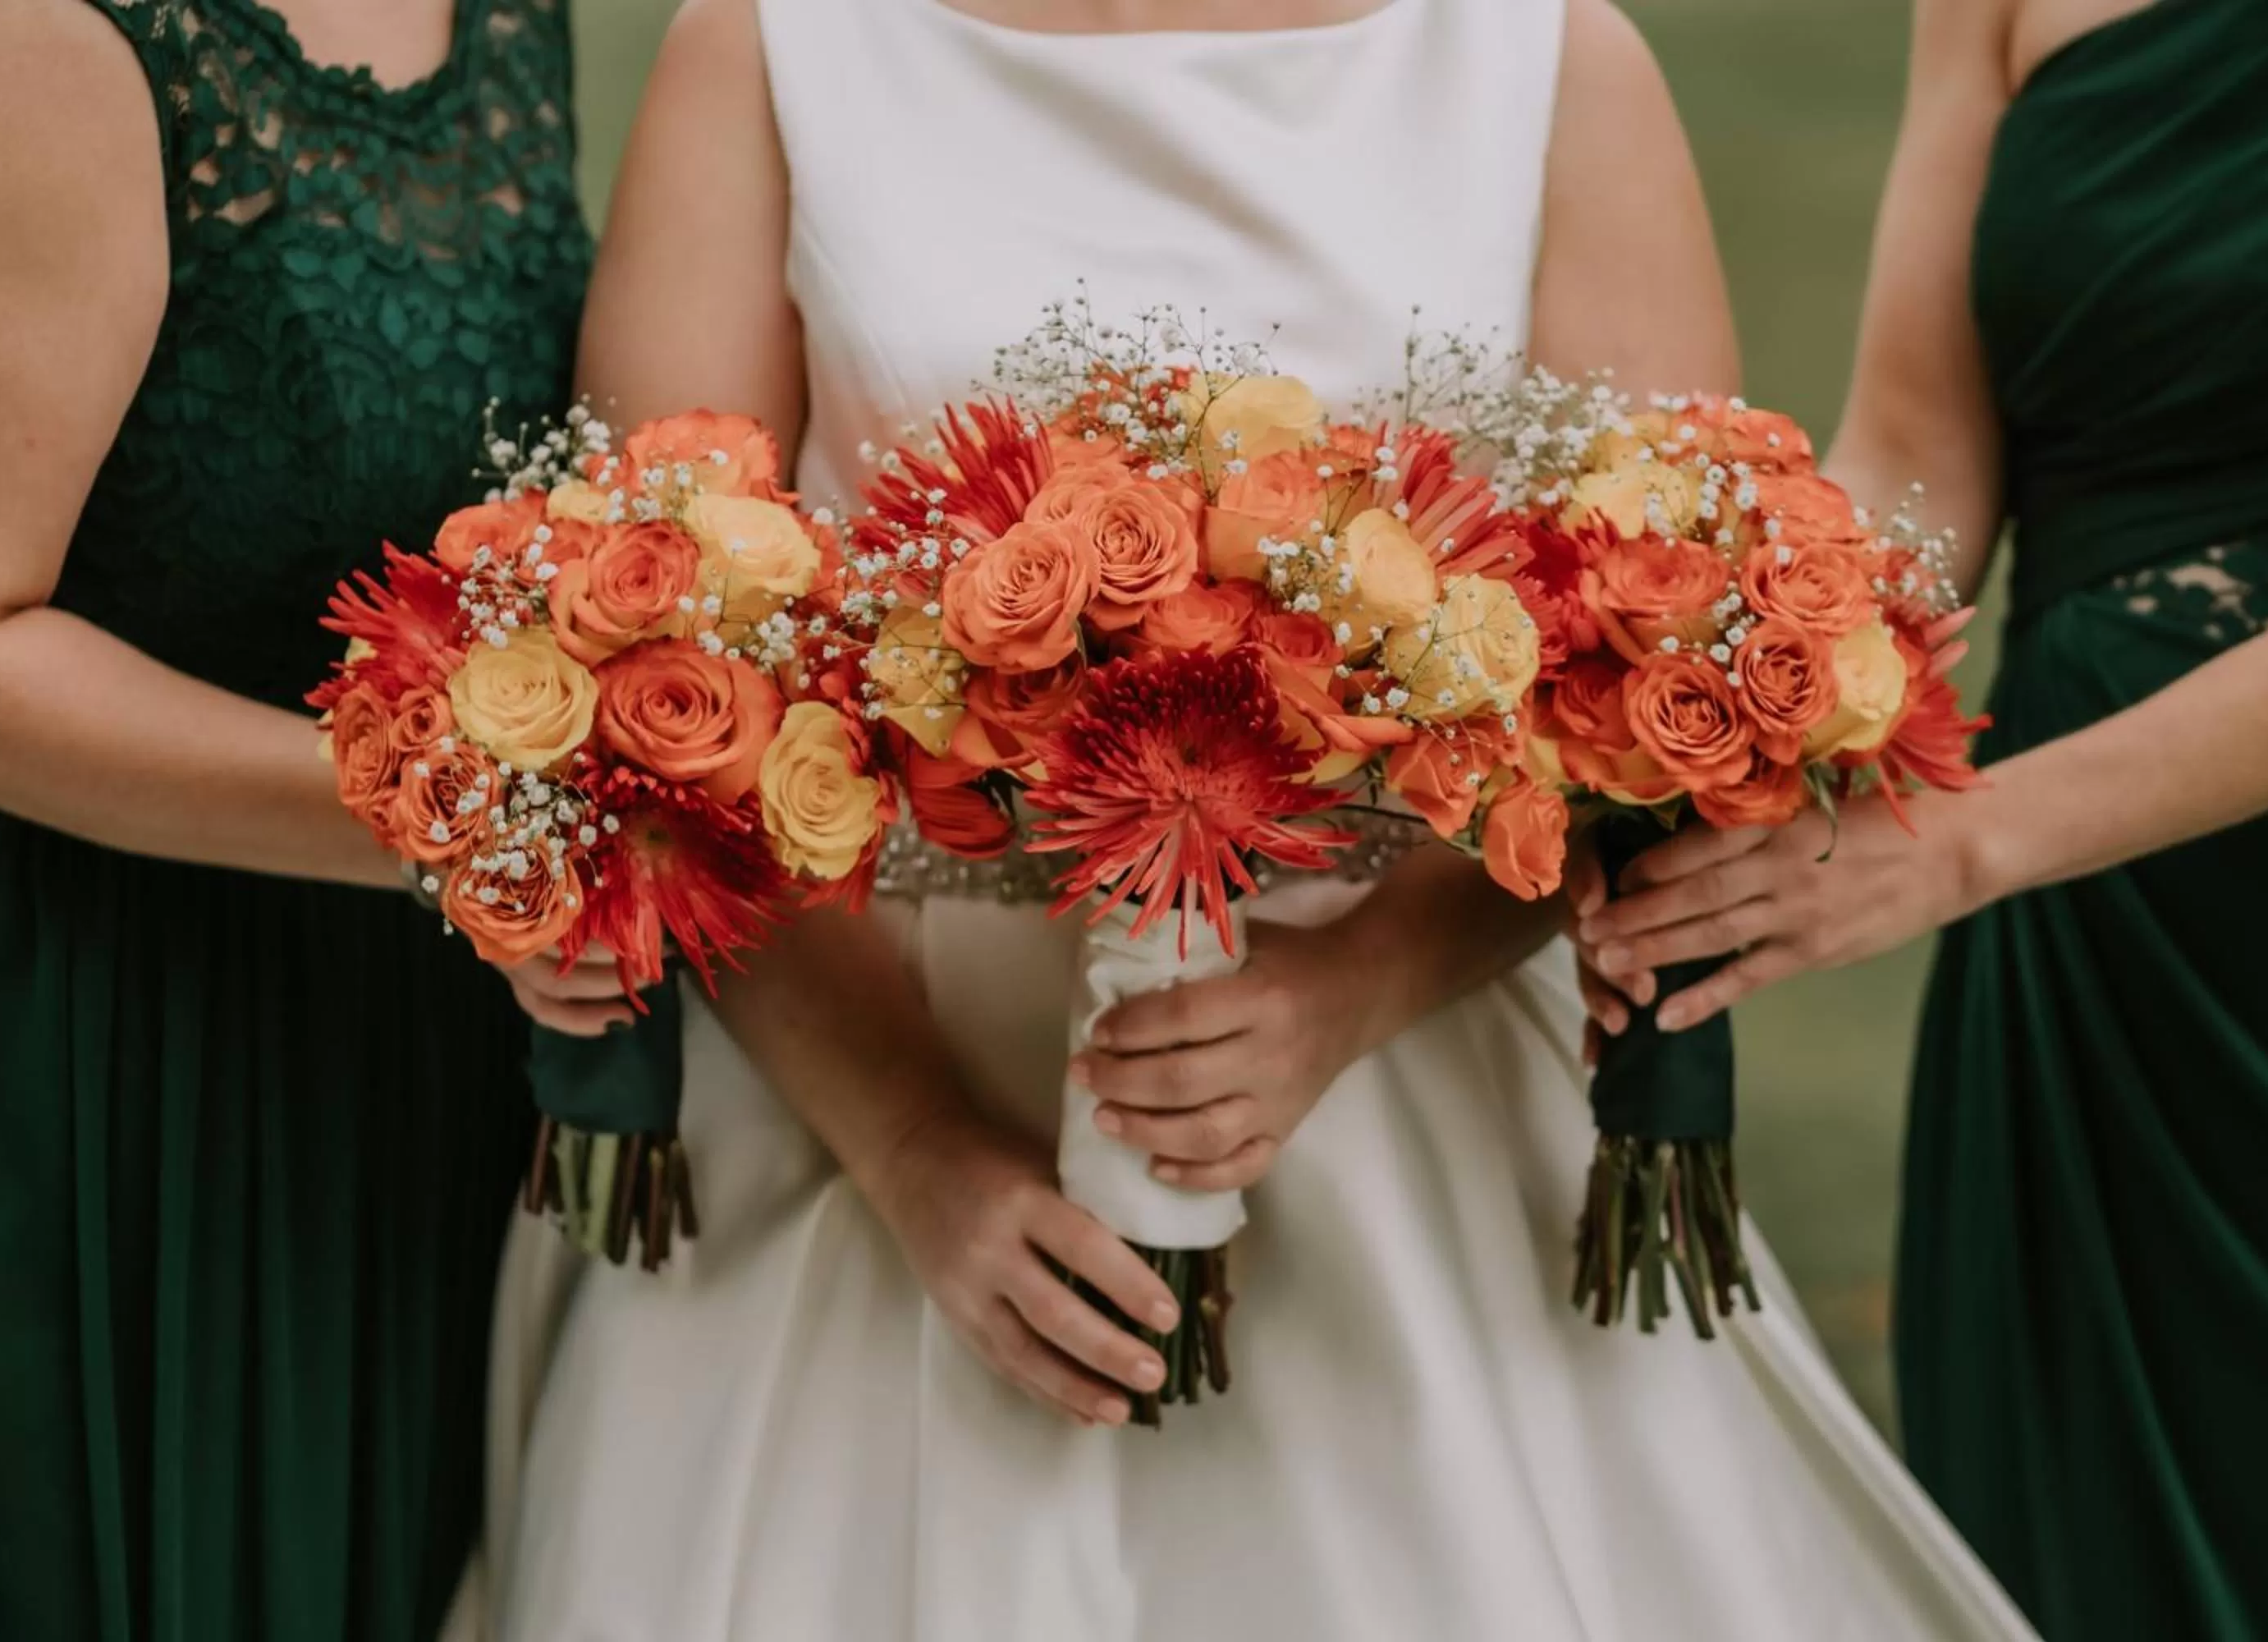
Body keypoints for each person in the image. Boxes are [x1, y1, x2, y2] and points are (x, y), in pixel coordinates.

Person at [491, 1, 2034, 1637]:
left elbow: (1637, 695)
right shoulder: (775, 44)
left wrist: (1345, 993)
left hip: (1397, 1060)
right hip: (876, 1058)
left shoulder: (1544, 59)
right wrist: (921, 1151)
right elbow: (656, 688)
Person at [1581, 0, 2268, 1635]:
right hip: (2088, 947)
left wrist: (1960, 839)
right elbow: (1915, 464)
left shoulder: (1980, 837)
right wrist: (1680, 708)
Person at [0, 2, 589, 1635]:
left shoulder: (513, 21)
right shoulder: (49, 37)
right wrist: (445, 827)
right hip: (108, 1046)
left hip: (407, 1040)